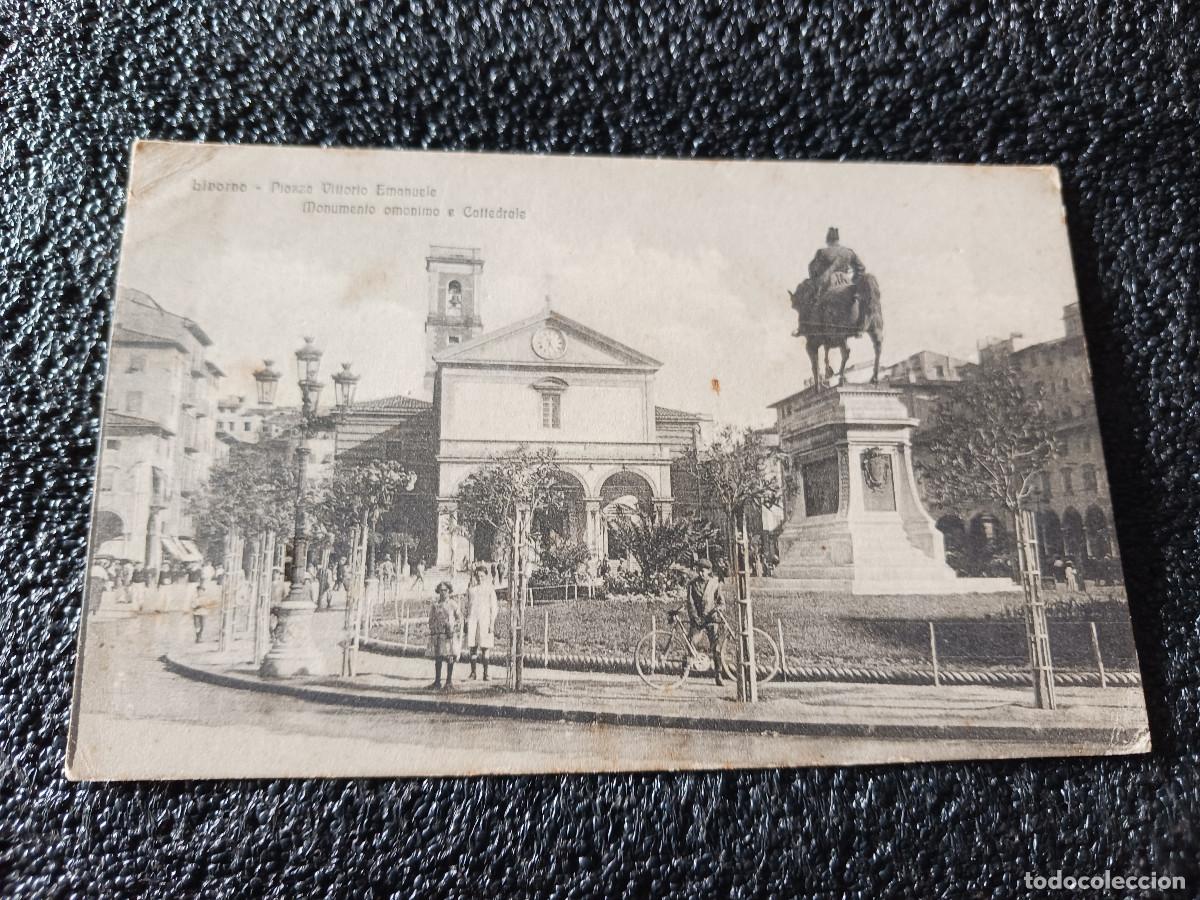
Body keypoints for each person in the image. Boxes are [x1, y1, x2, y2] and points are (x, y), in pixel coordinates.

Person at [685, 558, 727, 686]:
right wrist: (694, 617)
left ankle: (718, 674)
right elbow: (690, 603)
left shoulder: (714, 584)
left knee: (716, 647)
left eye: (703, 571)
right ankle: (684, 672)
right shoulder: (692, 585)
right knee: (691, 643)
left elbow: (721, 603)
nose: (700, 573)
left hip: (711, 619)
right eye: (699, 571)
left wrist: (717, 610)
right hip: (698, 620)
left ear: (709, 571)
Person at [464, 564, 499, 681]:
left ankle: (486, 673)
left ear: (486, 576)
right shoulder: (471, 590)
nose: (480, 578)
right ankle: (473, 673)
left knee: (485, 647)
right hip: (473, 620)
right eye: (478, 576)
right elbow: (466, 607)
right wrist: (466, 620)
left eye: (482, 576)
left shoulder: (490, 589)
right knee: (472, 647)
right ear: (475, 576)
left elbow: (494, 608)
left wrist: (492, 623)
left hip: (485, 621)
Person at [427, 581, 462, 691]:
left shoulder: (452, 604)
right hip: (438, 634)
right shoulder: (435, 605)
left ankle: (449, 681)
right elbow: (431, 619)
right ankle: (437, 681)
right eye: (441, 590)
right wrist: (432, 628)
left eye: (445, 590)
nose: (443, 593)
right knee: (438, 657)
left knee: (449, 656)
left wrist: (453, 627)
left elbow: (460, 618)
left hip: (448, 634)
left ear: (449, 591)